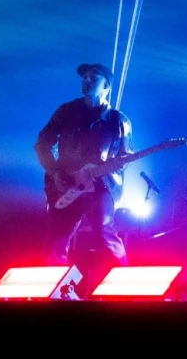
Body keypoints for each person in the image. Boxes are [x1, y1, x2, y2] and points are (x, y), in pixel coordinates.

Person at [35, 63, 133, 270]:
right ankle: (56, 287)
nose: (86, 80)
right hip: (64, 184)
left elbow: (124, 158)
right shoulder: (66, 111)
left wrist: (109, 167)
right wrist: (55, 172)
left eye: (93, 77)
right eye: (85, 77)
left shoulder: (119, 121)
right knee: (56, 241)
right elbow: (43, 143)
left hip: (100, 187)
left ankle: (124, 284)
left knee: (105, 235)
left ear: (106, 86)